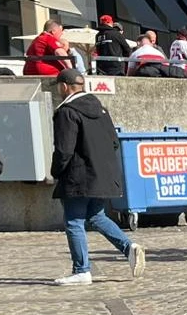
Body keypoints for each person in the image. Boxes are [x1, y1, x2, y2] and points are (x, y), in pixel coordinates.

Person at [49, 70, 146, 285]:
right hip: (103, 175)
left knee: (74, 221)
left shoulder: (67, 112)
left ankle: (81, 270)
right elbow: (114, 142)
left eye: (58, 86)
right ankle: (129, 248)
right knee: (96, 216)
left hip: (78, 176)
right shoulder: (102, 109)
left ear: (64, 86)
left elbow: (64, 149)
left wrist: (56, 171)